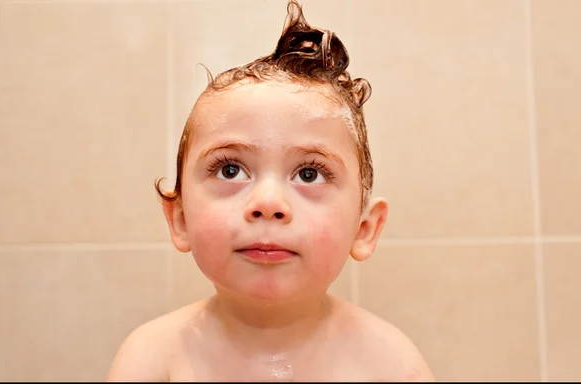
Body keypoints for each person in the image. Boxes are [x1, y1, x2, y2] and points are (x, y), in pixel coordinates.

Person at [107, 0, 434, 381]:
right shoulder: (153, 359)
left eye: (309, 174)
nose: (267, 203)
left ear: (364, 230)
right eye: (231, 170)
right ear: (179, 218)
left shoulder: (389, 364)